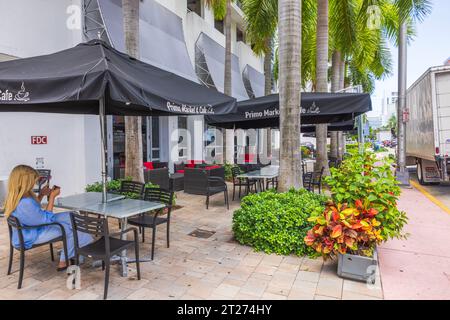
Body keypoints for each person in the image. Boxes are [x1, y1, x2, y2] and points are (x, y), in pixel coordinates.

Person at [3, 165, 93, 271]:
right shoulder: (25, 202)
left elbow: (33, 212)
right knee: (70, 228)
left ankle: (78, 249)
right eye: (33, 181)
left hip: (27, 231)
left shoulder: (16, 196)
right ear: (25, 182)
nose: (35, 183)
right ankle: (66, 260)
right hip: (32, 235)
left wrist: (41, 195)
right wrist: (52, 197)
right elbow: (45, 220)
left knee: (72, 216)